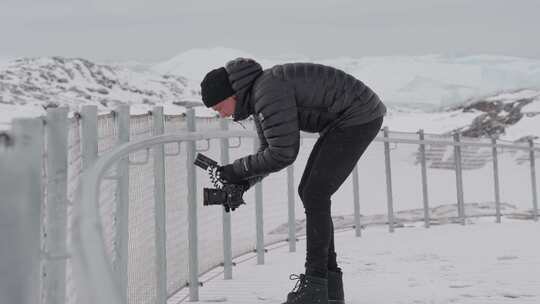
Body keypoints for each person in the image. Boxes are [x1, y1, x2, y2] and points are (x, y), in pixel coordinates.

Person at [200, 58, 386, 304]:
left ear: (231, 94)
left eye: (218, 107)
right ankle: (328, 287)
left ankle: (316, 286)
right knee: (310, 192)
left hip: (358, 115)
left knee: (315, 193)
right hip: (348, 117)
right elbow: (270, 152)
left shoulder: (268, 92)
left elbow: (283, 154)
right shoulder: (260, 93)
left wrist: (233, 171)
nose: (221, 115)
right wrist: (243, 182)